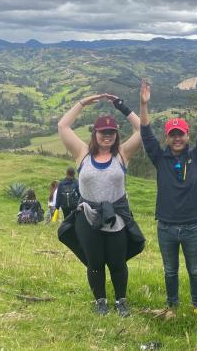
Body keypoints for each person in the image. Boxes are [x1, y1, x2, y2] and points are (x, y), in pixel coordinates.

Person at [57, 94, 146, 317]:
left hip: (116, 217)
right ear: (95, 134)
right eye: (102, 132)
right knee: (94, 262)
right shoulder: (82, 154)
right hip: (87, 216)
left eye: (111, 132)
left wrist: (121, 105)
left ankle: (121, 301)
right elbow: (63, 125)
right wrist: (83, 103)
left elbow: (143, 130)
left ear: (116, 135)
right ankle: (100, 302)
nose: (107, 136)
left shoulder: (122, 154)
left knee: (117, 262)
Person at [140, 77, 197, 321]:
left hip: (192, 226)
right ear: (167, 138)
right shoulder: (160, 158)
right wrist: (143, 105)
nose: (177, 138)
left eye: (180, 134)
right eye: (172, 135)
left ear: (187, 135)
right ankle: (172, 306)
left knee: (195, 270)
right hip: (166, 226)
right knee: (170, 270)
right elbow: (146, 134)